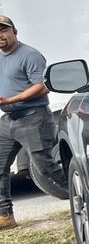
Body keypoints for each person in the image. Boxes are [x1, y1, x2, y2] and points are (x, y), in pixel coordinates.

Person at [0, 15, 67, 229]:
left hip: (33, 118)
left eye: (3, 30)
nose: (0, 35)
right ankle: (5, 216)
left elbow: (41, 86)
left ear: (14, 31)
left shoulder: (29, 55)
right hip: (8, 120)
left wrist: (11, 99)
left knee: (46, 169)